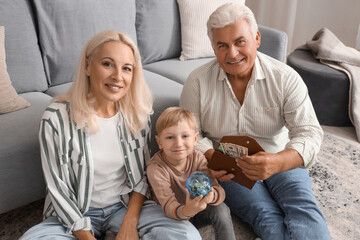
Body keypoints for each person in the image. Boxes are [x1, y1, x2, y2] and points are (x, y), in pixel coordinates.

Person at [20, 30, 201, 240]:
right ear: (88, 66)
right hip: (74, 214)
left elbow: (142, 176)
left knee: (187, 235)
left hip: (123, 207)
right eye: (107, 64)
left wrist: (129, 224)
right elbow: (57, 189)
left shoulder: (138, 113)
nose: (118, 76)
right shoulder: (56, 118)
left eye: (126, 68)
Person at [180, 2, 331, 240]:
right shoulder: (197, 83)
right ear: (213, 47)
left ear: (257, 38)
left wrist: (279, 161)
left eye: (240, 42)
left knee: (304, 209)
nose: (232, 53)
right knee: (265, 214)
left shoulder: (285, 78)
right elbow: (190, 135)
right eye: (222, 45)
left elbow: (309, 132)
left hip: (280, 155)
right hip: (231, 169)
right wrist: (211, 158)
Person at [147, 107, 236, 240]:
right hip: (170, 218)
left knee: (221, 209)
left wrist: (212, 195)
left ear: (195, 139)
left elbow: (219, 191)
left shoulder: (198, 157)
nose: (178, 144)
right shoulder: (156, 168)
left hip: (197, 209)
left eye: (185, 136)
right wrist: (187, 210)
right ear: (159, 142)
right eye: (170, 137)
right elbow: (169, 207)